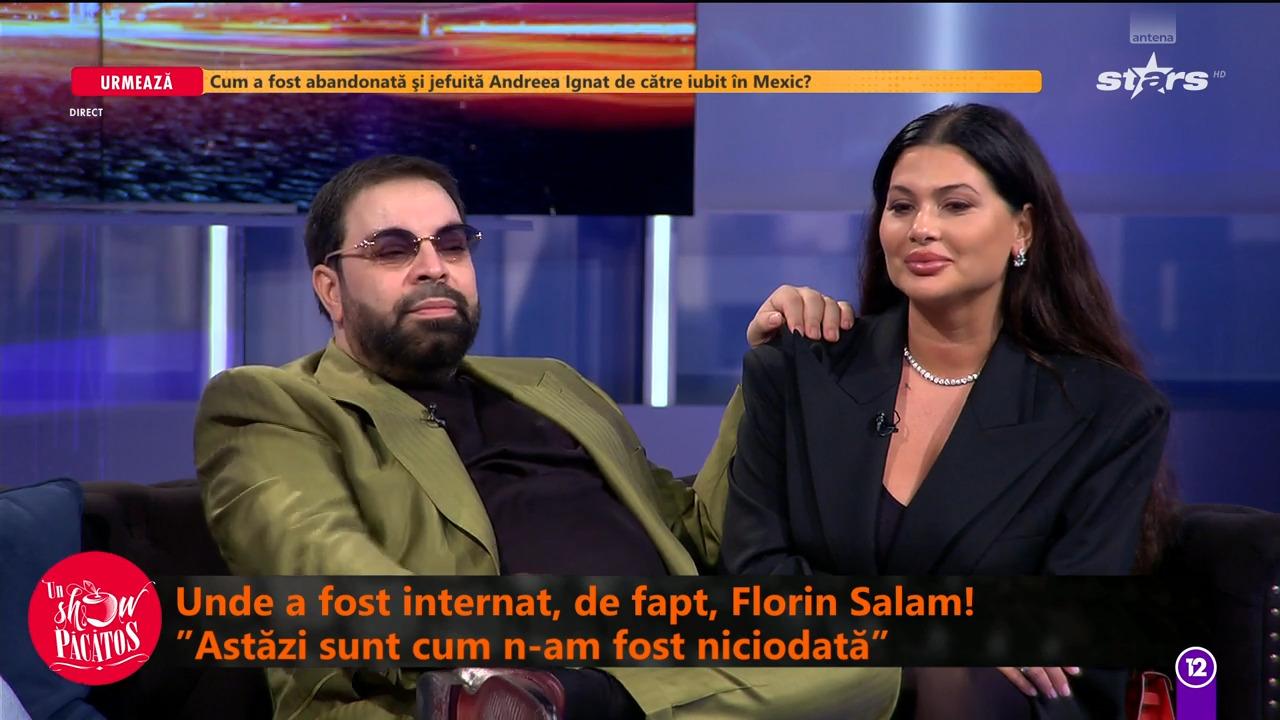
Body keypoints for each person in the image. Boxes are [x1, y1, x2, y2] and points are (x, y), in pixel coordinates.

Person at [194, 154, 898, 720]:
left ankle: (578, 703)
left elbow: (696, 535)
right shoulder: (273, 403)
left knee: (873, 661)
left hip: (655, 654)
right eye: (393, 249)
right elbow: (328, 573)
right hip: (452, 683)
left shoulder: (552, 385)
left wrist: (766, 378)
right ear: (330, 288)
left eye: (451, 243)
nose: (434, 265)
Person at [709, 104, 1175, 719]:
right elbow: (754, 585)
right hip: (810, 688)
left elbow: (1068, 634)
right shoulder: (798, 371)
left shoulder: (1108, 414)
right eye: (901, 207)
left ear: (1022, 229)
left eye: (955, 205)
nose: (921, 228)